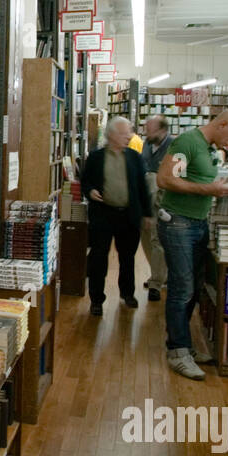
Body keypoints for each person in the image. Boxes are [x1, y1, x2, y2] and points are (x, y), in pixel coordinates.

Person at [156, 108, 228, 380]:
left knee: (193, 287)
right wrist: (209, 190)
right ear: (221, 124)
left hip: (196, 222)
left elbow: (196, 178)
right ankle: (178, 352)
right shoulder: (188, 142)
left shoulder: (208, 148)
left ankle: (182, 344)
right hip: (178, 223)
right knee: (182, 287)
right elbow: (165, 179)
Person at [81, 116, 152, 317]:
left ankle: (127, 293)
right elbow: (85, 182)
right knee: (98, 258)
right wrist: (90, 191)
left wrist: (147, 214)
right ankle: (96, 300)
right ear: (111, 135)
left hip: (128, 216)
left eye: (129, 132)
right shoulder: (95, 157)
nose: (128, 136)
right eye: (123, 133)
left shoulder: (135, 157)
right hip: (103, 215)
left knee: (127, 258)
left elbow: (142, 188)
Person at [140, 115, 171, 300]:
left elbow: (177, 174)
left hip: (163, 199)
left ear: (163, 131)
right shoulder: (146, 144)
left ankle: (156, 284)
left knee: (157, 240)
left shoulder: (175, 146)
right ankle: (157, 274)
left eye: (150, 129)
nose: (146, 133)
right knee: (145, 236)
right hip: (145, 198)